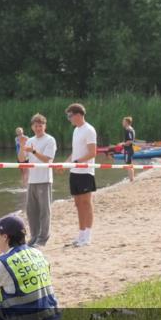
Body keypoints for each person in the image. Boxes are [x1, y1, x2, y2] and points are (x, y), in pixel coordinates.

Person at [19, 113, 56, 247]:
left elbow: (47, 159)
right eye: (36, 126)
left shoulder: (50, 140)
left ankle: (43, 238)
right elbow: (22, 159)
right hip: (32, 180)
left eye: (40, 126)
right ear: (32, 127)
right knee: (31, 210)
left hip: (44, 179)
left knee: (44, 210)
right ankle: (34, 236)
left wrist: (34, 152)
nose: (38, 128)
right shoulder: (30, 140)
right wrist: (22, 145)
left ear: (44, 126)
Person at [64, 103, 98, 246]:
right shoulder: (76, 130)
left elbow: (92, 152)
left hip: (85, 171)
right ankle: (81, 234)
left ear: (78, 115)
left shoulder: (89, 130)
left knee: (86, 203)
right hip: (75, 171)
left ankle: (87, 237)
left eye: (70, 116)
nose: (69, 119)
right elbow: (76, 151)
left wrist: (78, 161)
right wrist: (67, 163)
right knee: (78, 204)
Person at [121, 116, 136, 182]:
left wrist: (122, 144)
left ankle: (131, 179)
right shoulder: (131, 129)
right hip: (129, 149)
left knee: (128, 164)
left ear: (127, 122)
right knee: (130, 164)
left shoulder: (128, 130)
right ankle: (131, 179)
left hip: (129, 150)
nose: (122, 123)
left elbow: (130, 141)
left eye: (123, 121)